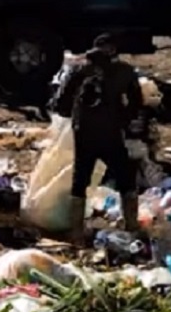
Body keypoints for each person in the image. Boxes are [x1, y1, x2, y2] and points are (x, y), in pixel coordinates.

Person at [55, 34, 146, 243]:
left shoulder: (78, 69)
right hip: (112, 133)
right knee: (125, 176)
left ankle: (75, 231)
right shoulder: (124, 71)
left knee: (80, 179)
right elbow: (137, 104)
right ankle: (131, 225)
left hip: (84, 132)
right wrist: (126, 120)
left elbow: (61, 103)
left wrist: (75, 113)